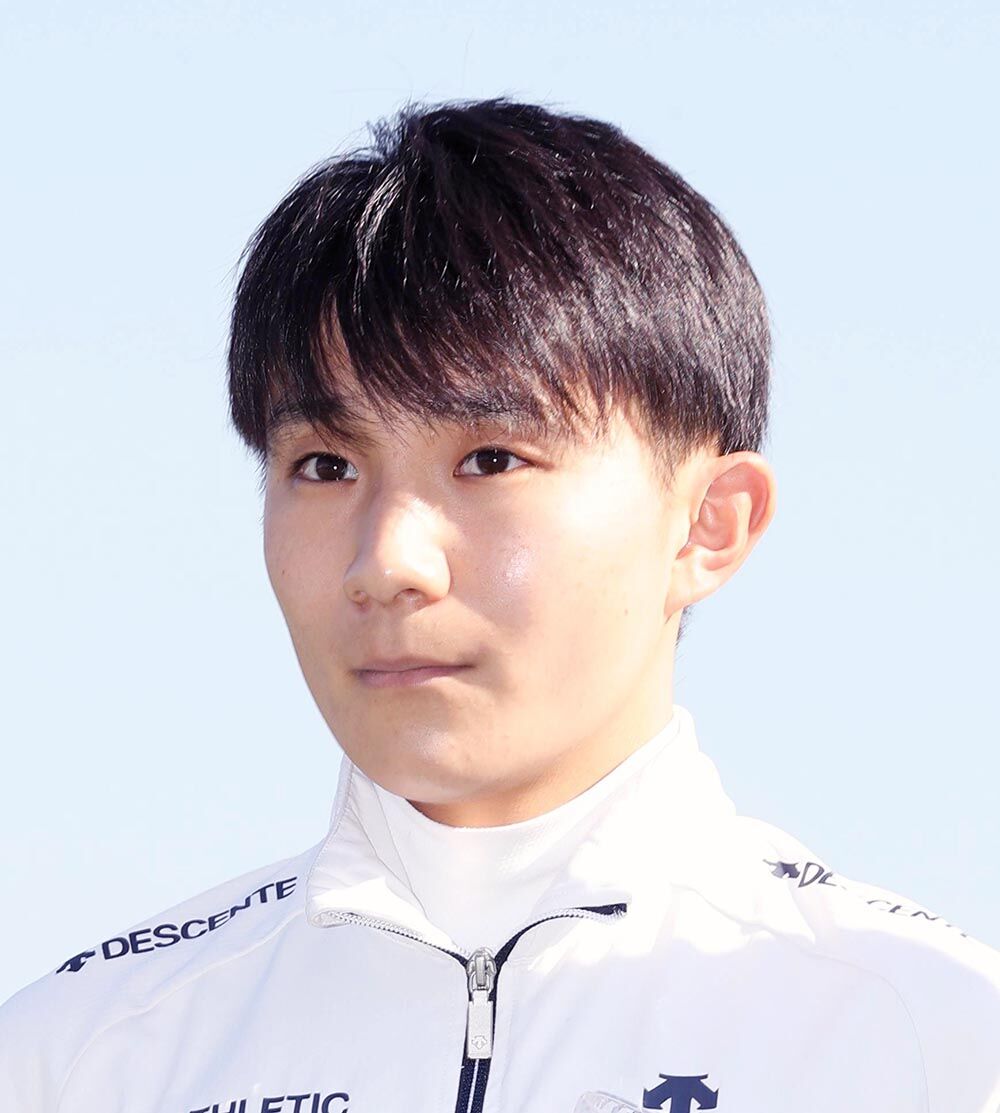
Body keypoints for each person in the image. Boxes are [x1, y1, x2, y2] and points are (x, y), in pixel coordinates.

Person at [1, 96, 997, 1113]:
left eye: (489, 459)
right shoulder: (77, 1062)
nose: (387, 561)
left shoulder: (935, 1041)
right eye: (325, 465)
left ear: (709, 524)